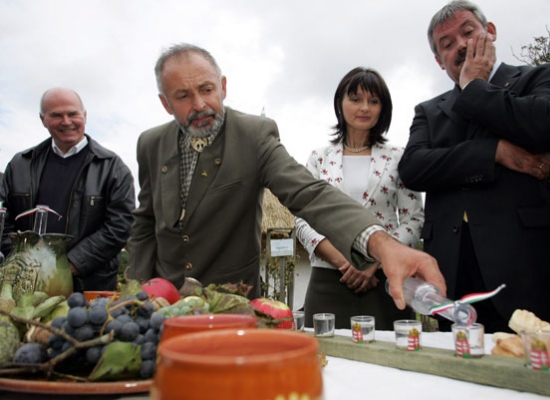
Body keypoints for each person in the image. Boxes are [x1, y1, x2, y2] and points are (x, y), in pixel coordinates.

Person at [127, 43, 445, 309]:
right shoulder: (150, 144)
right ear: (165, 103)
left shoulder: (254, 135)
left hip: (231, 304)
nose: (200, 104)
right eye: (183, 96)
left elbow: (310, 194)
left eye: (207, 89)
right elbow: (144, 225)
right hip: (162, 304)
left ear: (222, 86)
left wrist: (383, 245)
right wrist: (136, 292)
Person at [398, 0, 550, 333]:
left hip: (527, 270)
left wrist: (474, 87)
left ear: (490, 32)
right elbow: (413, 168)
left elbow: (546, 124)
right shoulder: (430, 111)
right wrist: (493, 151)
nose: (461, 45)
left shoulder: (544, 78)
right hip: (453, 275)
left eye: (468, 33)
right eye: (447, 44)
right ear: (439, 61)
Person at [295, 67, 424, 329]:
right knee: (327, 362)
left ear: (383, 108)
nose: (364, 107)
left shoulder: (399, 157)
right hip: (328, 280)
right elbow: (303, 219)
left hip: (385, 281)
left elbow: (413, 218)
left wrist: (376, 262)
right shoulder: (319, 158)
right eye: (355, 99)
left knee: (391, 363)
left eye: (373, 101)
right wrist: (345, 263)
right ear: (340, 103)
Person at [0, 88, 135, 292]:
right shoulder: (20, 164)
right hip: (26, 283)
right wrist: (23, 262)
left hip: (89, 286)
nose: (66, 121)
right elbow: (4, 219)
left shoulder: (113, 168)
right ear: (43, 119)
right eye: (56, 115)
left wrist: (66, 266)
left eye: (72, 114)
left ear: (85, 116)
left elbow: (119, 226)